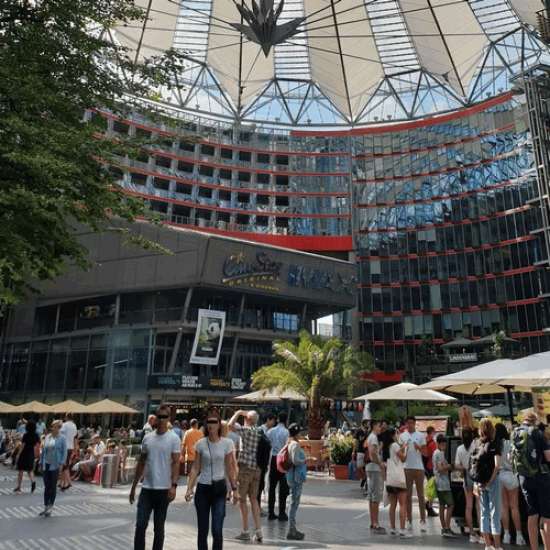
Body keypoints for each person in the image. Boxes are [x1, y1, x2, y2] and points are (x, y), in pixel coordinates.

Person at [130, 404, 181, 550]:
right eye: (160, 416)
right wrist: (133, 487)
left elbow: (176, 463)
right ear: (156, 418)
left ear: (169, 418)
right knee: (140, 525)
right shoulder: (147, 438)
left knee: (159, 529)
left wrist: (174, 486)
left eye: (165, 417)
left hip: (163, 490)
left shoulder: (173, 439)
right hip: (147, 488)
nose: (162, 420)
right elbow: (141, 462)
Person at [185, 412, 238, 550]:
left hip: (219, 489)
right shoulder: (200, 444)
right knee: (203, 531)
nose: (211, 425)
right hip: (203, 489)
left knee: (217, 529)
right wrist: (189, 488)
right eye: (209, 422)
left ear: (219, 425)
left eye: (214, 422)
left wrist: (235, 489)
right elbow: (196, 468)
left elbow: (229, 468)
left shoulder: (227, 443)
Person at [513, 412, 550, 550]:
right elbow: (548, 457)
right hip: (541, 478)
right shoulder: (536, 433)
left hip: (524, 478)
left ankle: (534, 548)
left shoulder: (515, 433)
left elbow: (512, 458)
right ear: (534, 421)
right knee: (546, 516)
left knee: (532, 514)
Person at [228, 409, 263, 542]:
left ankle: (245, 531)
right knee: (254, 498)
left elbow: (230, 425)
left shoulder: (246, 431)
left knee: (242, 499)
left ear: (247, 419)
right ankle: (258, 530)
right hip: (257, 469)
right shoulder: (261, 432)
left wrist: (238, 413)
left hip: (246, 467)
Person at [495, 422, 526, 546]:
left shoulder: (495, 446)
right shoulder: (510, 443)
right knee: (514, 506)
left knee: (504, 507)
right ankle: (519, 535)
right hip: (511, 474)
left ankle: (506, 535)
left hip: (499, 475)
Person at [473, 418, 502, 550]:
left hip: (479, 482)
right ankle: (497, 546)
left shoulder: (477, 443)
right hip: (492, 481)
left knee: (484, 513)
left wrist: (479, 483)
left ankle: (487, 544)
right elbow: (497, 466)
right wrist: (490, 481)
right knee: (495, 513)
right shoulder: (494, 444)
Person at [398, 415, 427, 532]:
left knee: (421, 495)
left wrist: (418, 447)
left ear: (415, 424)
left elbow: (425, 453)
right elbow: (400, 454)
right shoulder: (402, 436)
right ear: (406, 423)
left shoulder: (420, 436)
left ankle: (423, 520)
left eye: (412, 423)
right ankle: (409, 520)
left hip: (419, 468)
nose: (410, 425)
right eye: (408, 423)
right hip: (407, 468)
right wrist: (404, 448)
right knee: (408, 496)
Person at [454, 426, 481, 544]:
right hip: (477, 477)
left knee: (468, 506)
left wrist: (465, 467)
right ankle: (481, 532)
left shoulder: (460, 449)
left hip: (466, 477)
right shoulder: (476, 446)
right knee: (478, 506)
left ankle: (471, 533)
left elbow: (456, 465)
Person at [383, 428, 409, 539]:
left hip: (390, 477)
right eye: (396, 433)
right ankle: (402, 530)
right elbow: (403, 458)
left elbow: (394, 456)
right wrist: (406, 448)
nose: (397, 435)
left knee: (393, 504)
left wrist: (401, 448)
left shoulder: (386, 447)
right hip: (398, 477)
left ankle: (393, 529)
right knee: (403, 503)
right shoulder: (394, 445)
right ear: (392, 436)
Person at [39, 421, 67, 517]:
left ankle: (51, 505)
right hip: (46, 463)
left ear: (59, 428)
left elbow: (64, 452)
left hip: (55, 464)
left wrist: (62, 464)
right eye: (53, 427)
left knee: (52, 486)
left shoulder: (62, 438)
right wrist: (40, 462)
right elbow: (43, 451)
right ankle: (46, 506)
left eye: (57, 427)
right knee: (46, 486)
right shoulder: (47, 437)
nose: (54, 428)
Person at [285, 423, 307, 541]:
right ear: (297, 433)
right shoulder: (295, 444)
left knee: (293, 502)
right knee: (294, 503)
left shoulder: (290, 443)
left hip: (291, 476)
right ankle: (291, 529)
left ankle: (292, 528)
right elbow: (295, 460)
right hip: (296, 477)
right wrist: (305, 460)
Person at [433, 434, 457, 538]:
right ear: (438, 444)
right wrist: (450, 466)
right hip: (443, 483)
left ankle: (444, 527)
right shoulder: (440, 454)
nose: (444, 447)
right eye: (442, 444)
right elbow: (440, 469)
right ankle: (447, 527)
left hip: (438, 482)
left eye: (445, 445)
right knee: (451, 504)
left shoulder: (435, 453)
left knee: (442, 505)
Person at [267, 411, 289, 521]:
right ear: (286, 420)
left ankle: (270, 512)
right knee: (283, 487)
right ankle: (281, 512)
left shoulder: (270, 431)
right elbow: (287, 448)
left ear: (278, 419)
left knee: (272, 487)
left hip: (273, 458)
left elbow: (267, 445)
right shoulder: (286, 433)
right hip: (282, 460)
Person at [365, 420, 386, 534]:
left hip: (371, 468)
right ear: (374, 426)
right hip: (374, 469)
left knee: (372, 496)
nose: (380, 428)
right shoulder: (373, 437)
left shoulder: (371, 437)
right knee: (376, 496)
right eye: (379, 426)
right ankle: (375, 524)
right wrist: (380, 463)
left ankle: (373, 522)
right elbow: (373, 452)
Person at [13, 420, 40, 493]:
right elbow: (37, 446)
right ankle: (33, 481)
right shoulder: (36, 435)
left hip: (24, 453)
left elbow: (22, 445)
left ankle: (19, 486)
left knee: (21, 470)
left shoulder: (25, 435)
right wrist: (36, 454)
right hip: (31, 453)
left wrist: (18, 454)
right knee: (30, 470)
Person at [258, 412, 276, 514]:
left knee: (261, 484)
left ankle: (258, 507)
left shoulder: (267, 431)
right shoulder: (260, 431)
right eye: (273, 420)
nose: (274, 423)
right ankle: (257, 508)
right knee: (259, 485)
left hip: (264, 463)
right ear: (268, 419)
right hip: (260, 463)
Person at [60, 412, 78, 491]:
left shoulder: (65, 425)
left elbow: (60, 433)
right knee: (65, 464)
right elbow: (75, 436)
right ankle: (65, 482)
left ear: (66, 417)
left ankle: (65, 482)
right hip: (70, 446)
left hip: (64, 446)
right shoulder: (74, 426)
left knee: (64, 465)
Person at [352, 419, 370, 492]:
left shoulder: (369, 432)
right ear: (364, 424)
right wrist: (353, 451)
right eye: (368, 423)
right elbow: (355, 441)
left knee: (367, 467)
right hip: (360, 451)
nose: (369, 425)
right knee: (359, 466)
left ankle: (367, 483)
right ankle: (364, 477)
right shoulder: (358, 431)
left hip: (367, 452)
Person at [424, 426, 438, 517]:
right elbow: (435, 456)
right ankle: (429, 505)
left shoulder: (424, 440)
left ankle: (428, 504)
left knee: (429, 485)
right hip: (431, 466)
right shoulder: (433, 443)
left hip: (425, 466)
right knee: (432, 487)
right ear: (432, 432)